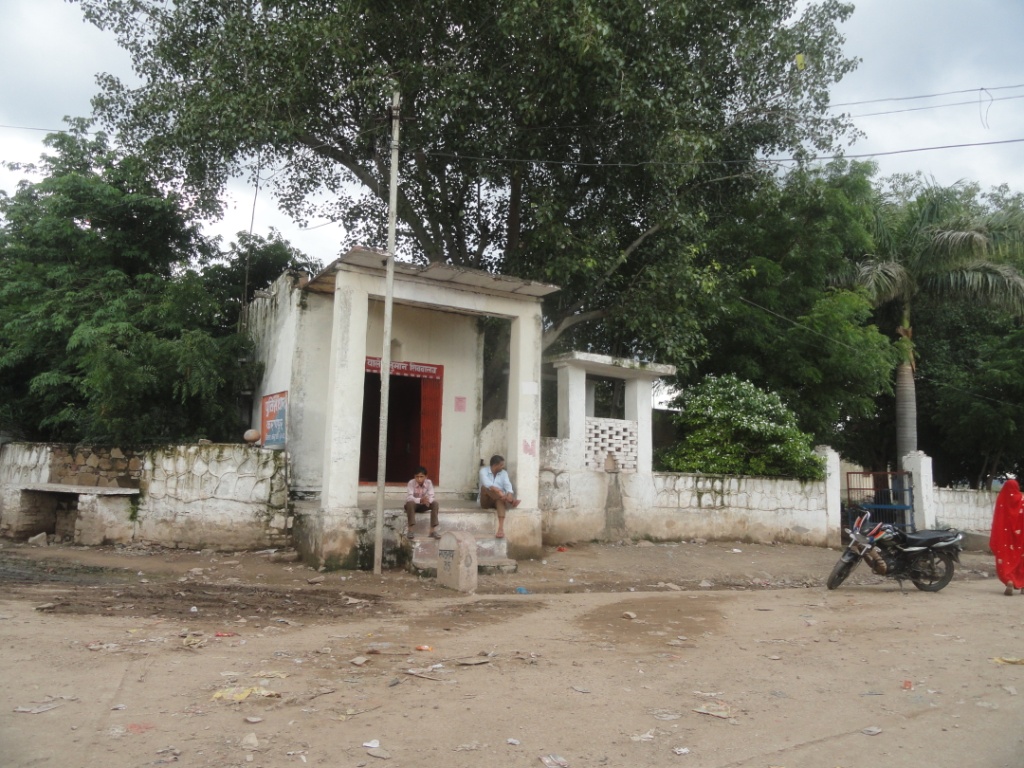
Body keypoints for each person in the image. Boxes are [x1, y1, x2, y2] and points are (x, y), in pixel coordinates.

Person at [990, 478, 1024, 595]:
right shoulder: (1023, 500)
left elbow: (998, 519)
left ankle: (1009, 580)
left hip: (1005, 538)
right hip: (1021, 538)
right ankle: (1022, 584)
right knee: (1021, 559)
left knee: (1006, 559)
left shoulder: (1002, 500)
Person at [478, 454, 520, 539]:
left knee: (500, 500)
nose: (503, 466)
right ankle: (510, 502)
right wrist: (501, 494)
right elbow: (488, 484)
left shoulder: (503, 473)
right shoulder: (483, 471)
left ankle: (500, 529)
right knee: (485, 488)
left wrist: (509, 495)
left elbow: (508, 485)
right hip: (486, 502)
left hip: (498, 500)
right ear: (495, 465)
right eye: (501, 465)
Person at [405, 466, 440, 540]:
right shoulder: (411, 483)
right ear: (414, 476)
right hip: (413, 506)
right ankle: (410, 530)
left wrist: (427, 501)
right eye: (417, 477)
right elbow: (409, 497)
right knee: (410, 503)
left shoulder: (429, 482)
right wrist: (420, 500)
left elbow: (431, 495)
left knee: (435, 503)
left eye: (421, 476)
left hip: (424, 505)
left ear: (426, 476)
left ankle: (432, 531)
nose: (419, 479)